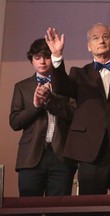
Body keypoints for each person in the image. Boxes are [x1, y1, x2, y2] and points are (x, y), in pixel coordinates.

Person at [45, 23, 110, 195]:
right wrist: (56, 56)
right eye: (95, 38)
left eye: (105, 37)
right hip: (90, 153)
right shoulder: (79, 74)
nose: (101, 40)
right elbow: (60, 87)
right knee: (90, 208)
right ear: (89, 46)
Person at [9, 38, 76, 197]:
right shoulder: (22, 86)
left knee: (58, 208)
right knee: (28, 207)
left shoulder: (66, 84)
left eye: (46, 57)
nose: (42, 62)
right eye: (37, 58)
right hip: (31, 156)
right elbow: (15, 122)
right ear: (31, 60)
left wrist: (50, 101)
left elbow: (73, 114)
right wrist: (36, 106)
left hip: (61, 155)